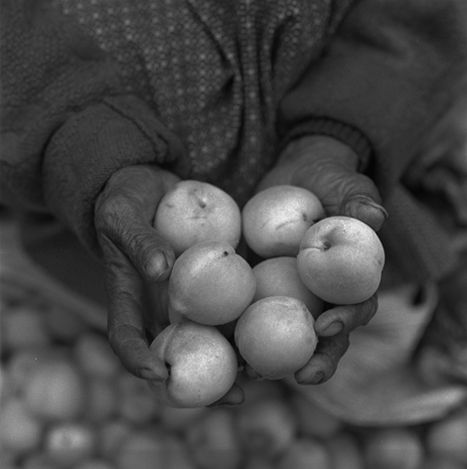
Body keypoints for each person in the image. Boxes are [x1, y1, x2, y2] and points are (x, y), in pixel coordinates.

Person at [1, 0, 466, 413]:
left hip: (317, 117)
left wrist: (340, 129)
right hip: (105, 178)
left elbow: (417, 16)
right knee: (142, 287)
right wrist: (77, 140)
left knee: (353, 317)